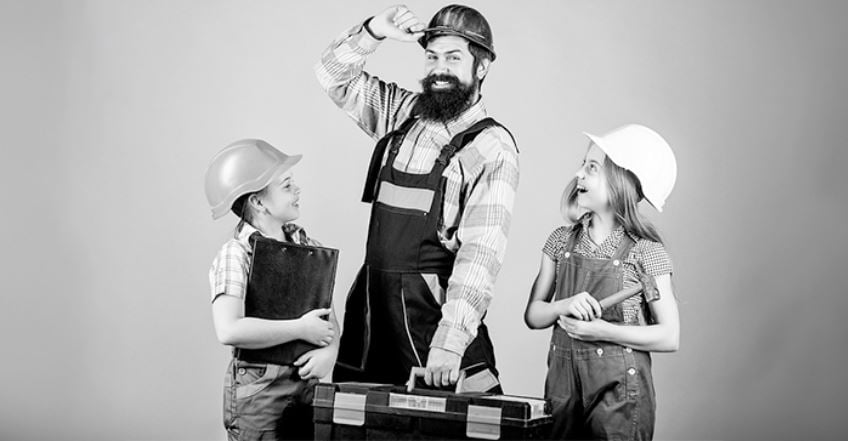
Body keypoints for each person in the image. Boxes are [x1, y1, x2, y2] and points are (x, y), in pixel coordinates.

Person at [315, 4, 519, 390]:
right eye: (432, 56)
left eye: (454, 57)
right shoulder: (402, 115)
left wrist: (450, 342)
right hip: (373, 317)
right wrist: (375, 30)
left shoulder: (492, 147)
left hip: (433, 329)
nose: (439, 69)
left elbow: (481, 255)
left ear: (483, 66)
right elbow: (331, 75)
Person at [524, 125, 680, 440]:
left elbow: (669, 336)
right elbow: (533, 316)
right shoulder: (559, 242)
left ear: (621, 183)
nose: (578, 174)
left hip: (620, 396)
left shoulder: (646, 253)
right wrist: (564, 305)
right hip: (562, 391)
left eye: (591, 168)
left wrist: (600, 331)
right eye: (583, 164)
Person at [205, 139, 339, 441]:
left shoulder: (307, 247)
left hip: (306, 383)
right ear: (258, 202)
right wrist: (300, 329)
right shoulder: (236, 255)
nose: (297, 190)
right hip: (259, 391)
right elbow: (229, 329)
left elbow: (328, 316)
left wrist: (330, 351)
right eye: (287, 185)